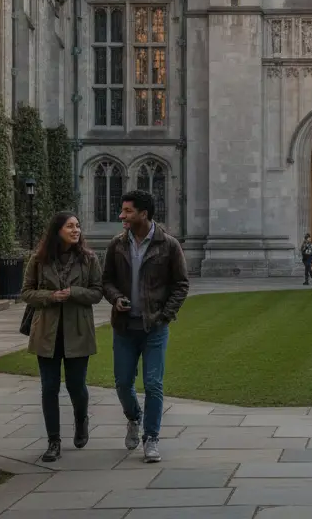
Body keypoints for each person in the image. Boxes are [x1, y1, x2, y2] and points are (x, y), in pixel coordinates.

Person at [102, 189, 189, 463]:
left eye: (127, 211)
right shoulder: (116, 244)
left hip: (154, 328)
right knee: (123, 383)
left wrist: (165, 315)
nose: (121, 216)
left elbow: (181, 284)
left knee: (153, 384)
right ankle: (134, 417)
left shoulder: (169, 245)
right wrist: (116, 299)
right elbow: (106, 282)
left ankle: (151, 438)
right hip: (125, 328)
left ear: (144, 213)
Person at [22, 211, 103, 463]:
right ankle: (53, 441)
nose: (76, 230)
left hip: (78, 332)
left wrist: (74, 292)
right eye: (70, 226)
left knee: (76, 386)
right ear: (57, 230)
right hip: (47, 332)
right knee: (49, 388)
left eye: (78, 226)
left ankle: (81, 420)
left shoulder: (89, 259)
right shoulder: (38, 259)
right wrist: (50, 296)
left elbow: (97, 292)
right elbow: (26, 292)